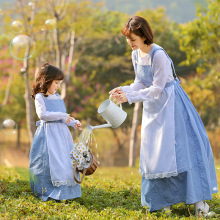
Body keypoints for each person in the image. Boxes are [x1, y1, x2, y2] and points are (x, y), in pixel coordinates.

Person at [109, 16, 218, 216]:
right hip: (153, 108)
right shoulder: (136, 54)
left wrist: (129, 97)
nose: (129, 43)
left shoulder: (157, 55)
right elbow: (140, 83)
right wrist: (123, 90)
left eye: (132, 39)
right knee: (156, 153)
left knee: (183, 150)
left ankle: (199, 204)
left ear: (143, 36)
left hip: (172, 105)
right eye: (128, 39)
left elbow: (158, 88)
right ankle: (162, 203)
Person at [29, 63, 82, 201]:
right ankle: (47, 191)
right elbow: (43, 115)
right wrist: (63, 116)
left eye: (59, 83)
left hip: (62, 136)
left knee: (64, 162)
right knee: (48, 162)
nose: (58, 86)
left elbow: (64, 116)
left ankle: (64, 192)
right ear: (46, 81)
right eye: (56, 83)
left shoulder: (58, 97)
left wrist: (73, 122)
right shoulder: (40, 97)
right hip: (48, 134)